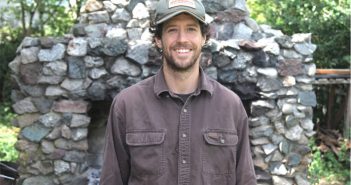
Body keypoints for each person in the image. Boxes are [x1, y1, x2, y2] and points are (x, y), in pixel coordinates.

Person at [99, 0, 257, 184]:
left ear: (204, 37)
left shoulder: (231, 106)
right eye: (172, 29)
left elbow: (245, 180)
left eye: (191, 29)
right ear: (158, 39)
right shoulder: (126, 105)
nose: (182, 39)